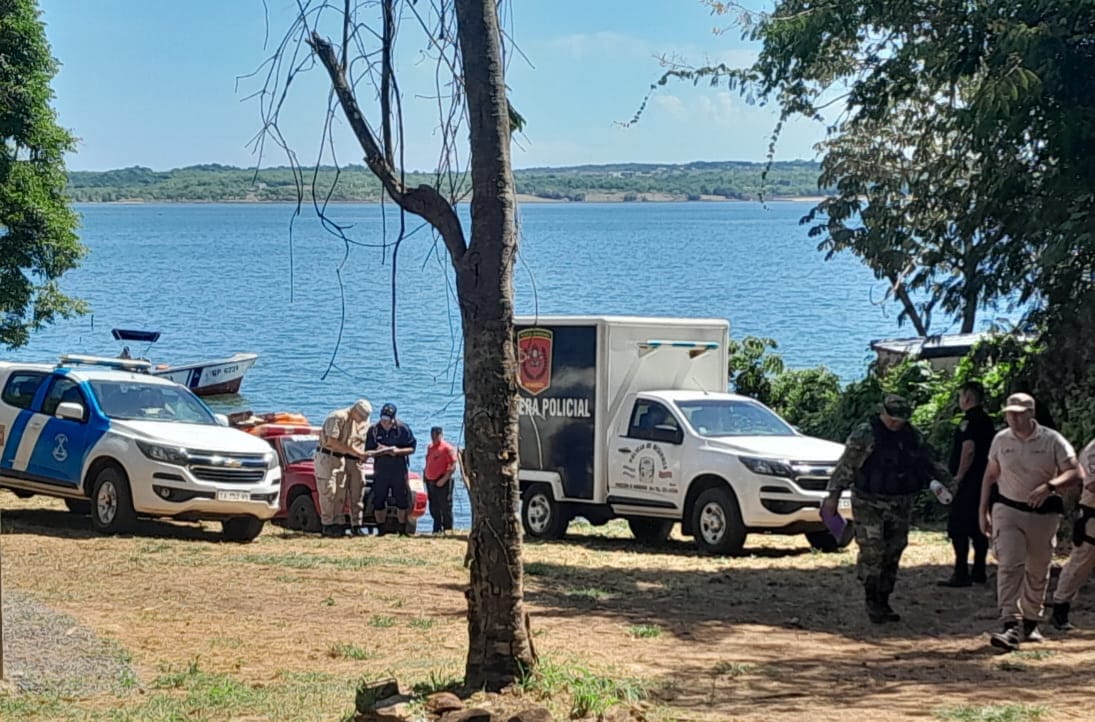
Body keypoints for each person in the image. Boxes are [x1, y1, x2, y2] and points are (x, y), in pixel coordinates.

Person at [822, 393, 953, 624]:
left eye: (900, 419)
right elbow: (847, 465)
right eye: (891, 418)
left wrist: (950, 483)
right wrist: (833, 495)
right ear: (882, 412)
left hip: (901, 502)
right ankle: (872, 598)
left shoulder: (911, 436)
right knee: (873, 550)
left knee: (894, 550)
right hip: (868, 501)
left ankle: (883, 598)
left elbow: (929, 461)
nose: (895, 423)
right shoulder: (866, 433)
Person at [979, 392, 1080, 651]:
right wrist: (983, 511)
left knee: (1037, 567)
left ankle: (1032, 620)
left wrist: (1050, 486)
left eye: (1019, 413)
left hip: (1043, 514)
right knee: (1010, 564)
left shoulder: (1052, 440)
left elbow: (1074, 471)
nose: (1013, 417)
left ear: (1031, 413)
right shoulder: (1000, 440)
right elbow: (990, 476)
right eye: (1009, 413)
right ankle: (1009, 623)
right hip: (1007, 509)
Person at [939, 381, 997, 587]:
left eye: (960, 396)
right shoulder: (988, 421)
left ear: (967, 399)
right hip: (986, 480)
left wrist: (959, 478)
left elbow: (969, 449)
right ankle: (979, 570)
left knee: (958, 527)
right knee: (979, 524)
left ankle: (961, 572)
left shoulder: (969, 422)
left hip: (969, 483)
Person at [1049, 437, 1095, 631]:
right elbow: (1092, 484)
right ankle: (1060, 609)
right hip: (1093, 514)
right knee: (1081, 562)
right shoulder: (1093, 450)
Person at [315, 399, 372, 538]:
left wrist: (359, 453)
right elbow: (332, 441)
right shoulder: (337, 417)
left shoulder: (353, 422)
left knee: (340, 493)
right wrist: (356, 453)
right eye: (362, 417)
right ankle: (327, 524)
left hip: (340, 459)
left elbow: (350, 443)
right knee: (328, 491)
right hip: (327, 457)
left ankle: (338, 523)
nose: (362, 421)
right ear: (355, 411)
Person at [365, 402, 417, 535]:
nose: (385, 423)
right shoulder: (374, 430)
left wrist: (397, 451)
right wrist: (379, 451)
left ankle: (401, 529)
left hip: (398, 469)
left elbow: (412, 448)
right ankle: (381, 529)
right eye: (383, 419)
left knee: (401, 499)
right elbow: (368, 451)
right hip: (380, 470)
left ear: (393, 419)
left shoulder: (403, 429)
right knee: (379, 499)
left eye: (388, 420)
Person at [423, 426, 459, 535]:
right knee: (434, 507)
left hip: (442, 480)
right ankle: (436, 528)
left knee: (445, 507)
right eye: (432, 435)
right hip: (430, 481)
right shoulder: (430, 447)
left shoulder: (447, 448)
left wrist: (444, 479)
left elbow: (453, 465)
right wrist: (425, 475)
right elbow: (428, 461)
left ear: (441, 435)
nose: (434, 438)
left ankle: (447, 529)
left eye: (436, 435)